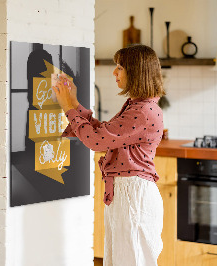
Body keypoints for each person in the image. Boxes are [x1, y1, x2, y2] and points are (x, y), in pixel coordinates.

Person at [53, 44, 165, 266]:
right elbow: (104, 133)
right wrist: (74, 103)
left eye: (120, 67)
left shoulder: (142, 111)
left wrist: (68, 107)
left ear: (136, 72)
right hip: (128, 193)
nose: (114, 72)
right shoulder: (138, 106)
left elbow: (96, 141)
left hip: (133, 195)